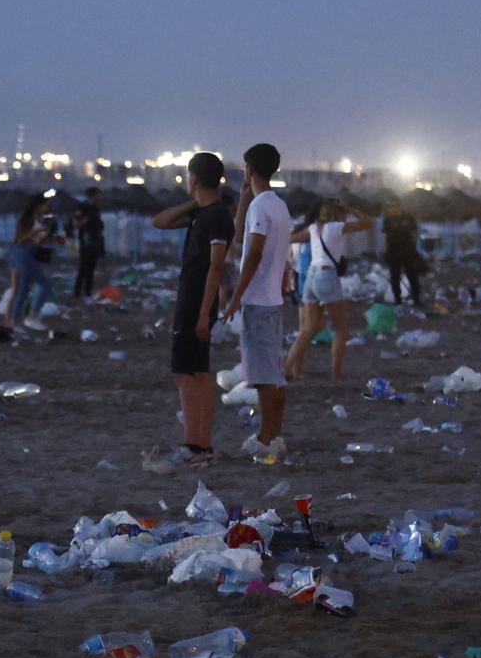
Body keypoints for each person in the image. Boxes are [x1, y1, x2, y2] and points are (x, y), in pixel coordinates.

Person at [139, 152, 232, 473]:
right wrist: (195, 202)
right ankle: (200, 446)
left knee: (185, 374)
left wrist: (205, 314)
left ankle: (195, 446)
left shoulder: (217, 216)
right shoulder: (202, 213)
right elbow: (160, 221)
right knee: (198, 374)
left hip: (196, 303)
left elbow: (216, 267)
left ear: (193, 178)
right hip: (192, 300)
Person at [221, 143, 291, 459]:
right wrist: (245, 197)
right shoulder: (276, 205)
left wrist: (236, 297)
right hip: (272, 298)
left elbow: (253, 253)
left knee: (265, 378)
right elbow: (240, 236)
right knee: (272, 375)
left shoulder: (263, 207)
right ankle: (273, 435)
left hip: (260, 300)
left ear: (249, 170)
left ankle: (266, 438)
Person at [283, 198, 375, 383]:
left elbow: (291, 238)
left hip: (310, 277)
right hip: (327, 275)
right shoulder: (336, 227)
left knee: (307, 329)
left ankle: (286, 368)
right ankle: (335, 372)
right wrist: (349, 207)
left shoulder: (313, 228)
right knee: (341, 328)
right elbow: (368, 222)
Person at [1, 195, 61, 334]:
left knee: (22, 290)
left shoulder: (40, 220)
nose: (48, 207)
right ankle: (32, 316)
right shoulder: (27, 220)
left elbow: (35, 243)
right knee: (44, 285)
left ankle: (13, 323)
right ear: (38, 205)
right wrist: (35, 232)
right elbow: (19, 240)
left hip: (27, 252)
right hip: (21, 253)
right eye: (46, 205)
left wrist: (48, 237)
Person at [381, 199, 423, 305]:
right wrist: (386, 251)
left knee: (413, 276)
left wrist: (413, 245)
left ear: (399, 207)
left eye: (393, 207)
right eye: (390, 207)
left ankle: (416, 299)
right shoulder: (388, 220)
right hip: (393, 252)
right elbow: (385, 236)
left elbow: (416, 232)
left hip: (408, 251)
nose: (391, 210)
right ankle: (397, 299)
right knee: (395, 276)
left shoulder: (408, 218)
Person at [70, 187, 106, 298]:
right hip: (86, 241)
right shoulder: (83, 207)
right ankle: (77, 293)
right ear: (93, 195)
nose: (100, 197)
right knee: (83, 268)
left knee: (91, 269)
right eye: (98, 194)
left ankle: (87, 292)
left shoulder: (96, 208)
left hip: (96, 240)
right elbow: (75, 224)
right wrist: (84, 221)